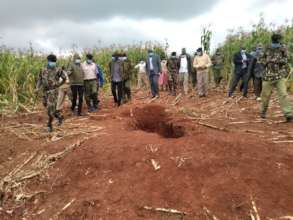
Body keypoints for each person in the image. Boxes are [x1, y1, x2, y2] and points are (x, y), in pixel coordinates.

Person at [260, 33, 293, 122]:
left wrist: (276, 61)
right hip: (268, 76)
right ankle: (263, 112)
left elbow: (287, 59)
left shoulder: (283, 48)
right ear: (276, 40)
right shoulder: (266, 48)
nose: (280, 42)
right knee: (265, 96)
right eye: (279, 40)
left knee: (283, 94)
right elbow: (260, 59)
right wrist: (266, 62)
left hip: (280, 76)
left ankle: (288, 114)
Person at [36, 54, 66, 132]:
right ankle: (59, 116)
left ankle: (49, 125)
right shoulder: (42, 70)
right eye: (51, 61)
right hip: (45, 91)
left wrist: (58, 85)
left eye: (54, 61)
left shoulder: (58, 70)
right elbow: (39, 79)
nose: (53, 63)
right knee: (46, 105)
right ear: (48, 61)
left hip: (53, 91)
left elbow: (64, 78)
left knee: (50, 108)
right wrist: (37, 88)